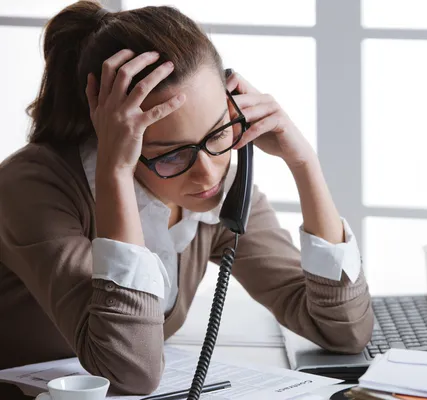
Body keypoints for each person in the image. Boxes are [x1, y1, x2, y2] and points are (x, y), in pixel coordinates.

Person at [0, 1, 373, 396]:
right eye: (171, 153)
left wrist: (303, 162)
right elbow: (129, 371)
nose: (209, 172)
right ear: (111, 131)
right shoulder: (32, 188)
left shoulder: (217, 188)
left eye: (218, 133)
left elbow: (345, 331)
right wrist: (116, 173)